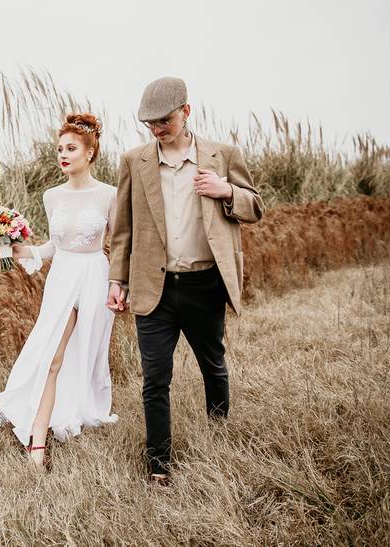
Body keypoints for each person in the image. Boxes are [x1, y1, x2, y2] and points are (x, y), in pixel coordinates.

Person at [107, 77, 264, 483]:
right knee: (155, 378)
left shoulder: (223, 154)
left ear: (187, 112)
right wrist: (116, 280)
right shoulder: (133, 161)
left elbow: (255, 208)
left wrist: (225, 189)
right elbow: (122, 229)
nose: (158, 129)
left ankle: (219, 441)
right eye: (150, 123)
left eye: (165, 120)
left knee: (213, 364)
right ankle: (158, 466)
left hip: (204, 284)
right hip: (153, 288)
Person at [0, 113, 119, 469]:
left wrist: (120, 285)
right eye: (59, 148)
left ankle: (42, 431)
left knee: (70, 352)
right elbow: (54, 248)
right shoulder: (51, 196)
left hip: (91, 277)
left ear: (90, 153)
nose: (63, 154)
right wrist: (10, 247)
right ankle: (37, 438)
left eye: (71, 148)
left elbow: (118, 246)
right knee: (53, 352)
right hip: (61, 278)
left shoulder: (109, 195)